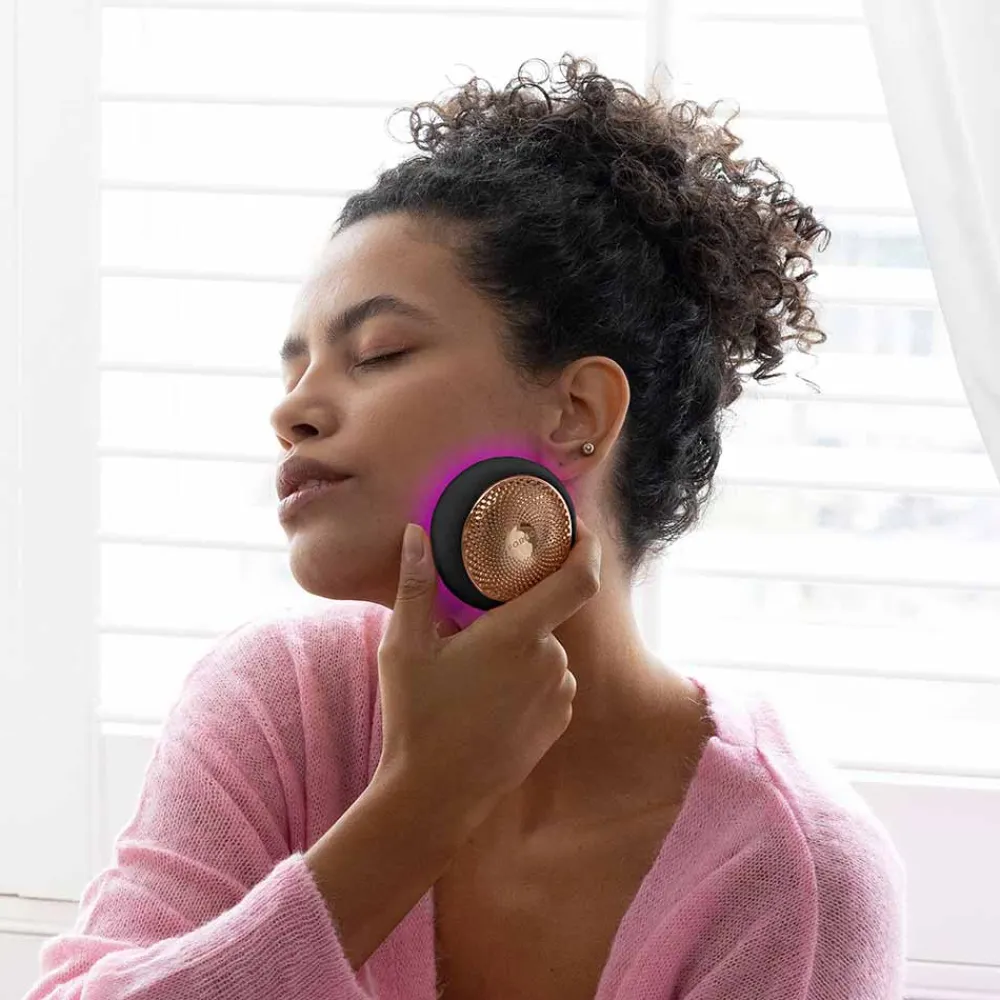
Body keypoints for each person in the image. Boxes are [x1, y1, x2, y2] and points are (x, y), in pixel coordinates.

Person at [25, 54, 906, 1000]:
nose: (293, 412)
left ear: (576, 412)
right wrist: (417, 810)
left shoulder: (787, 878)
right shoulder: (283, 705)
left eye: (378, 353)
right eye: (294, 370)